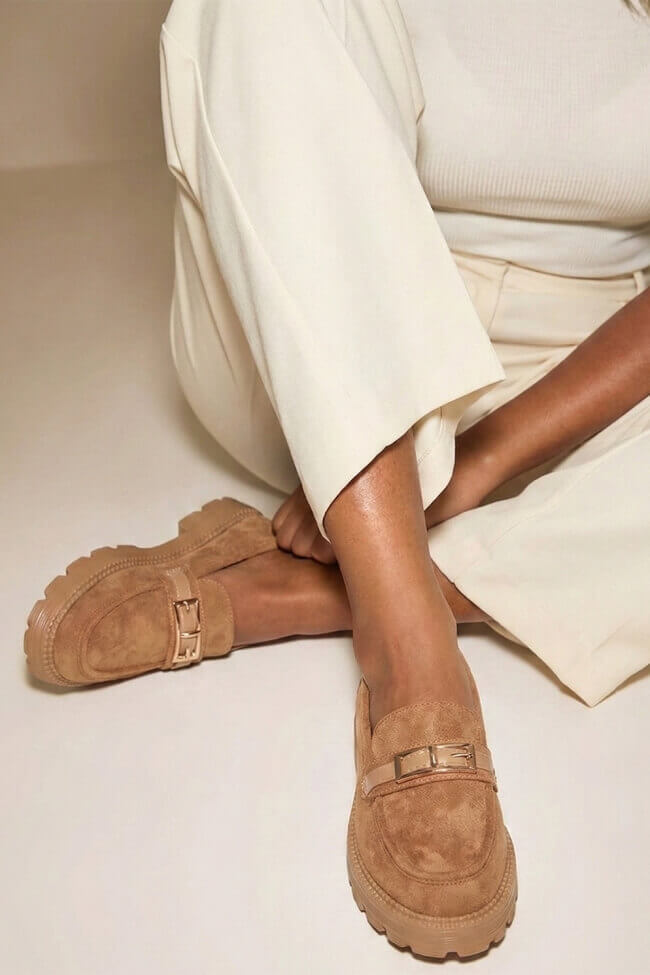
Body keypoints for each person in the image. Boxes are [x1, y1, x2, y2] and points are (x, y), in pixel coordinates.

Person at [25, 0, 650, 959]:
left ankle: (312, 586)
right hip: (311, 319)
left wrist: (483, 457)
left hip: (584, 367)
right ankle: (409, 648)